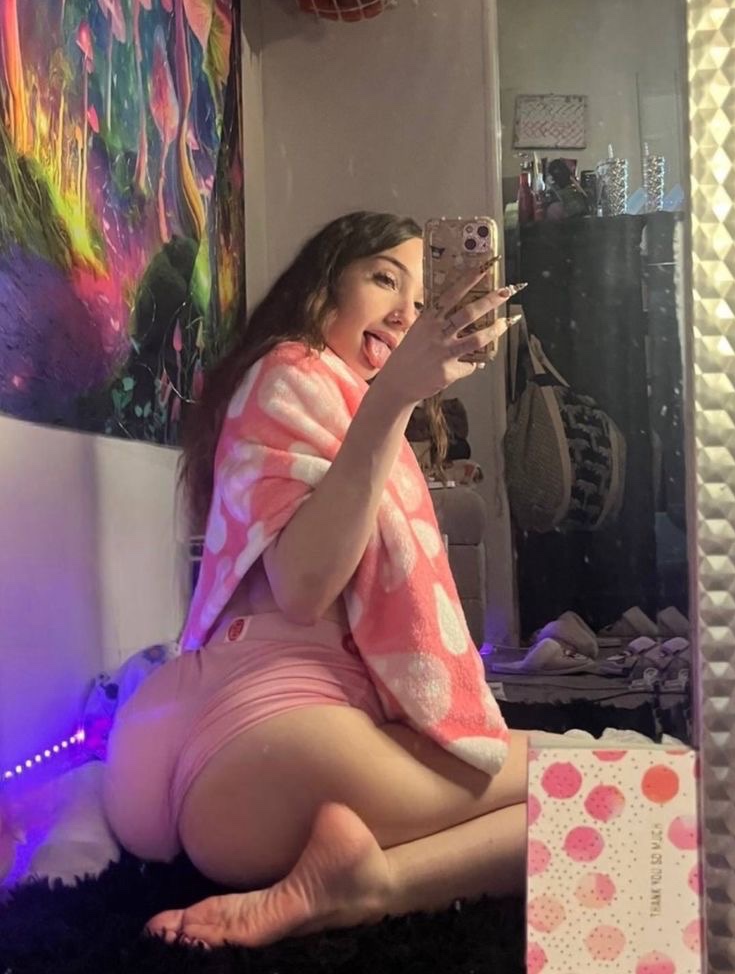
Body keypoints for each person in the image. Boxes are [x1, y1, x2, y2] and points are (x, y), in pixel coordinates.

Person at [103, 211, 528, 951]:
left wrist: (390, 400)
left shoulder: (286, 388)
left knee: (581, 785)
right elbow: (302, 587)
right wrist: (394, 396)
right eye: (385, 279)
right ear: (322, 286)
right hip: (273, 744)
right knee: (621, 773)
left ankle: (368, 876)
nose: (405, 312)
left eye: (421, 298)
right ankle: (373, 887)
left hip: (165, 743)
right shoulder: (296, 369)